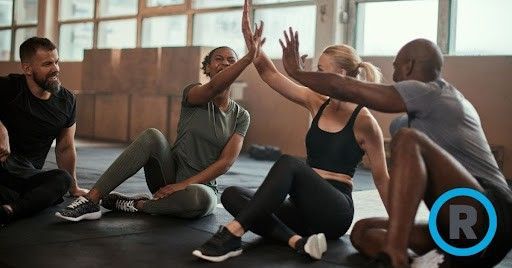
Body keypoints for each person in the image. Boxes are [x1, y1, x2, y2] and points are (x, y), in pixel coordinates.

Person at [280, 30, 512, 267]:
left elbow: (347, 88)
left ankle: (395, 255)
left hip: (491, 216)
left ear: (410, 66)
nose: (393, 74)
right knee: (363, 231)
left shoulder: (434, 91)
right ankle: (430, 262)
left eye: (396, 66)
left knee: (407, 139)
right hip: (462, 233)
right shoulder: (415, 116)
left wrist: (297, 72)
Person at [192, 0, 390, 262]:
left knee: (289, 164)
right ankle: (298, 242)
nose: (314, 76)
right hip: (301, 210)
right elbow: (269, 73)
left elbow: (382, 179)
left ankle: (231, 234)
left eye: (320, 71)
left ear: (340, 74)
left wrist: (399, 231)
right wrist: (250, 41)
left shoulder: (364, 121)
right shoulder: (316, 101)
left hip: (334, 212)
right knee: (233, 195)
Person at [55, 21, 264, 222]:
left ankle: (137, 205)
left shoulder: (241, 116)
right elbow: (213, 89)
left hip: (198, 187)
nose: (226, 63)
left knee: (201, 201)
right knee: (152, 136)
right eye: (219, 59)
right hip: (167, 175)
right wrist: (247, 59)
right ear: (207, 68)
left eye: (231, 60)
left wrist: (184, 185)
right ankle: (91, 200)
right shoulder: (194, 93)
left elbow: (225, 162)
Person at [0, 37, 88, 226]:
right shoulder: (9, 87)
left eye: (56, 61)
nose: (56, 69)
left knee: (61, 180)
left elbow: (65, 147)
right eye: (47, 64)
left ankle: (10, 211)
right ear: (27, 69)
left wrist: (74, 187)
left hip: (26, 177)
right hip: (2, 166)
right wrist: (1, 129)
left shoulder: (67, 100)